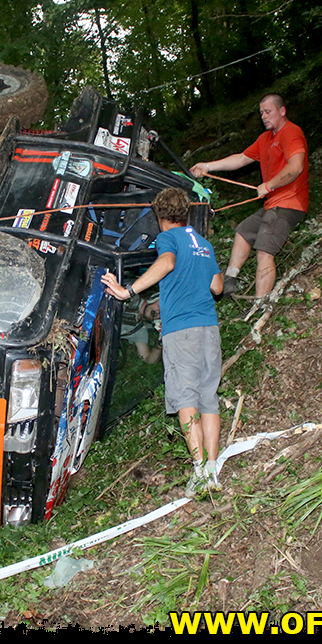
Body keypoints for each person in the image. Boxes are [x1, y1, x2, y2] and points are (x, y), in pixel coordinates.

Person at [101, 188, 224, 497]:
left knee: (185, 399)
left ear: (160, 215)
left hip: (181, 330)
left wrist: (128, 290)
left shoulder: (168, 238)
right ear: (186, 213)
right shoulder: (204, 243)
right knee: (208, 398)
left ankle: (199, 473)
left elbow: (167, 262)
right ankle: (212, 469)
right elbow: (218, 287)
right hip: (209, 328)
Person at [190, 93, 309, 298]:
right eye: (261, 113)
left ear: (282, 111)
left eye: (268, 112)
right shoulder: (265, 138)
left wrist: (269, 185)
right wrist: (208, 166)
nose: (263, 116)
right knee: (244, 231)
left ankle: (261, 303)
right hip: (273, 204)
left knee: (264, 251)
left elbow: (296, 167)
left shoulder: (291, 132)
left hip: (290, 203)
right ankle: (230, 280)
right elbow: (240, 159)